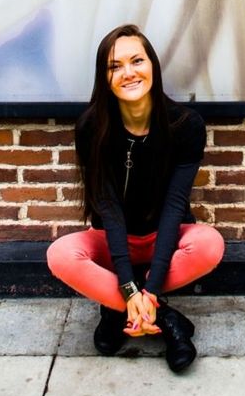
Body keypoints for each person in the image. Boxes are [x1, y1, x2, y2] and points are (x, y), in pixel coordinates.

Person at [47, 24, 225, 373]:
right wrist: (130, 289)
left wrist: (152, 287)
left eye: (137, 61)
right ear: (105, 77)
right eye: (115, 66)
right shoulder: (91, 128)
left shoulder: (186, 125)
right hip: (113, 240)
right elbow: (108, 210)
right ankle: (162, 319)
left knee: (210, 244)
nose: (128, 73)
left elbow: (175, 207)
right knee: (60, 254)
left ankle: (128, 310)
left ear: (153, 67)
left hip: (164, 237)